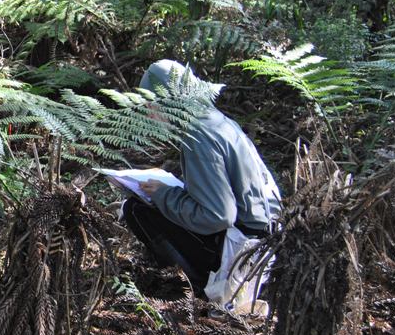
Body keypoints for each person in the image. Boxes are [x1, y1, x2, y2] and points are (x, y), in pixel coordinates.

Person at [121, 60, 282, 295]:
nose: (149, 112)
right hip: (267, 237)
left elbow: (217, 216)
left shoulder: (197, 135)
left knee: (136, 210)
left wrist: (164, 194)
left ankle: (195, 290)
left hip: (242, 247)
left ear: (165, 101)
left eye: (150, 104)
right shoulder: (215, 120)